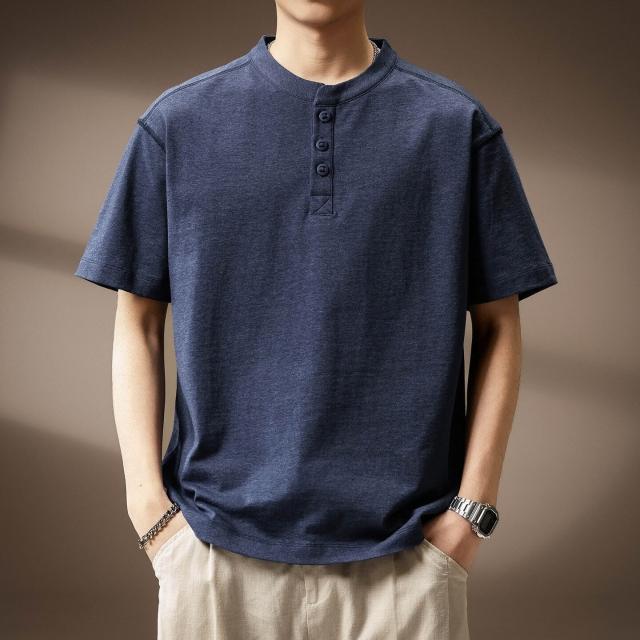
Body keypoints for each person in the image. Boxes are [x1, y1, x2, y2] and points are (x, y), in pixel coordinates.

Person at [74, 1, 558, 638]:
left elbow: (499, 325)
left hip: (408, 559)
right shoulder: (179, 124)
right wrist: (150, 511)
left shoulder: (454, 126)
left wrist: (472, 513)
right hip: (213, 554)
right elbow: (137, 321)